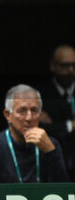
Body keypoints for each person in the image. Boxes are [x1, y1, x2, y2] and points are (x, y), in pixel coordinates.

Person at [0, 84, 69, 184]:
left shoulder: (50, 145)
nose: (29, 118)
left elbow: (64, 192)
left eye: (34, 110)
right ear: (8, 115)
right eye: (22, 111)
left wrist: (51, 152)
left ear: (40, 114)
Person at [37, 44, 75, 180]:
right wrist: (71, 126)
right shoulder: (40, 95)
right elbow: (41, 130)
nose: (70, 70)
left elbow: (52, 128)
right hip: (51, 164)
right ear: (53, 66)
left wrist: (56, 126)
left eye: (73, 65)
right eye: (65, 65)